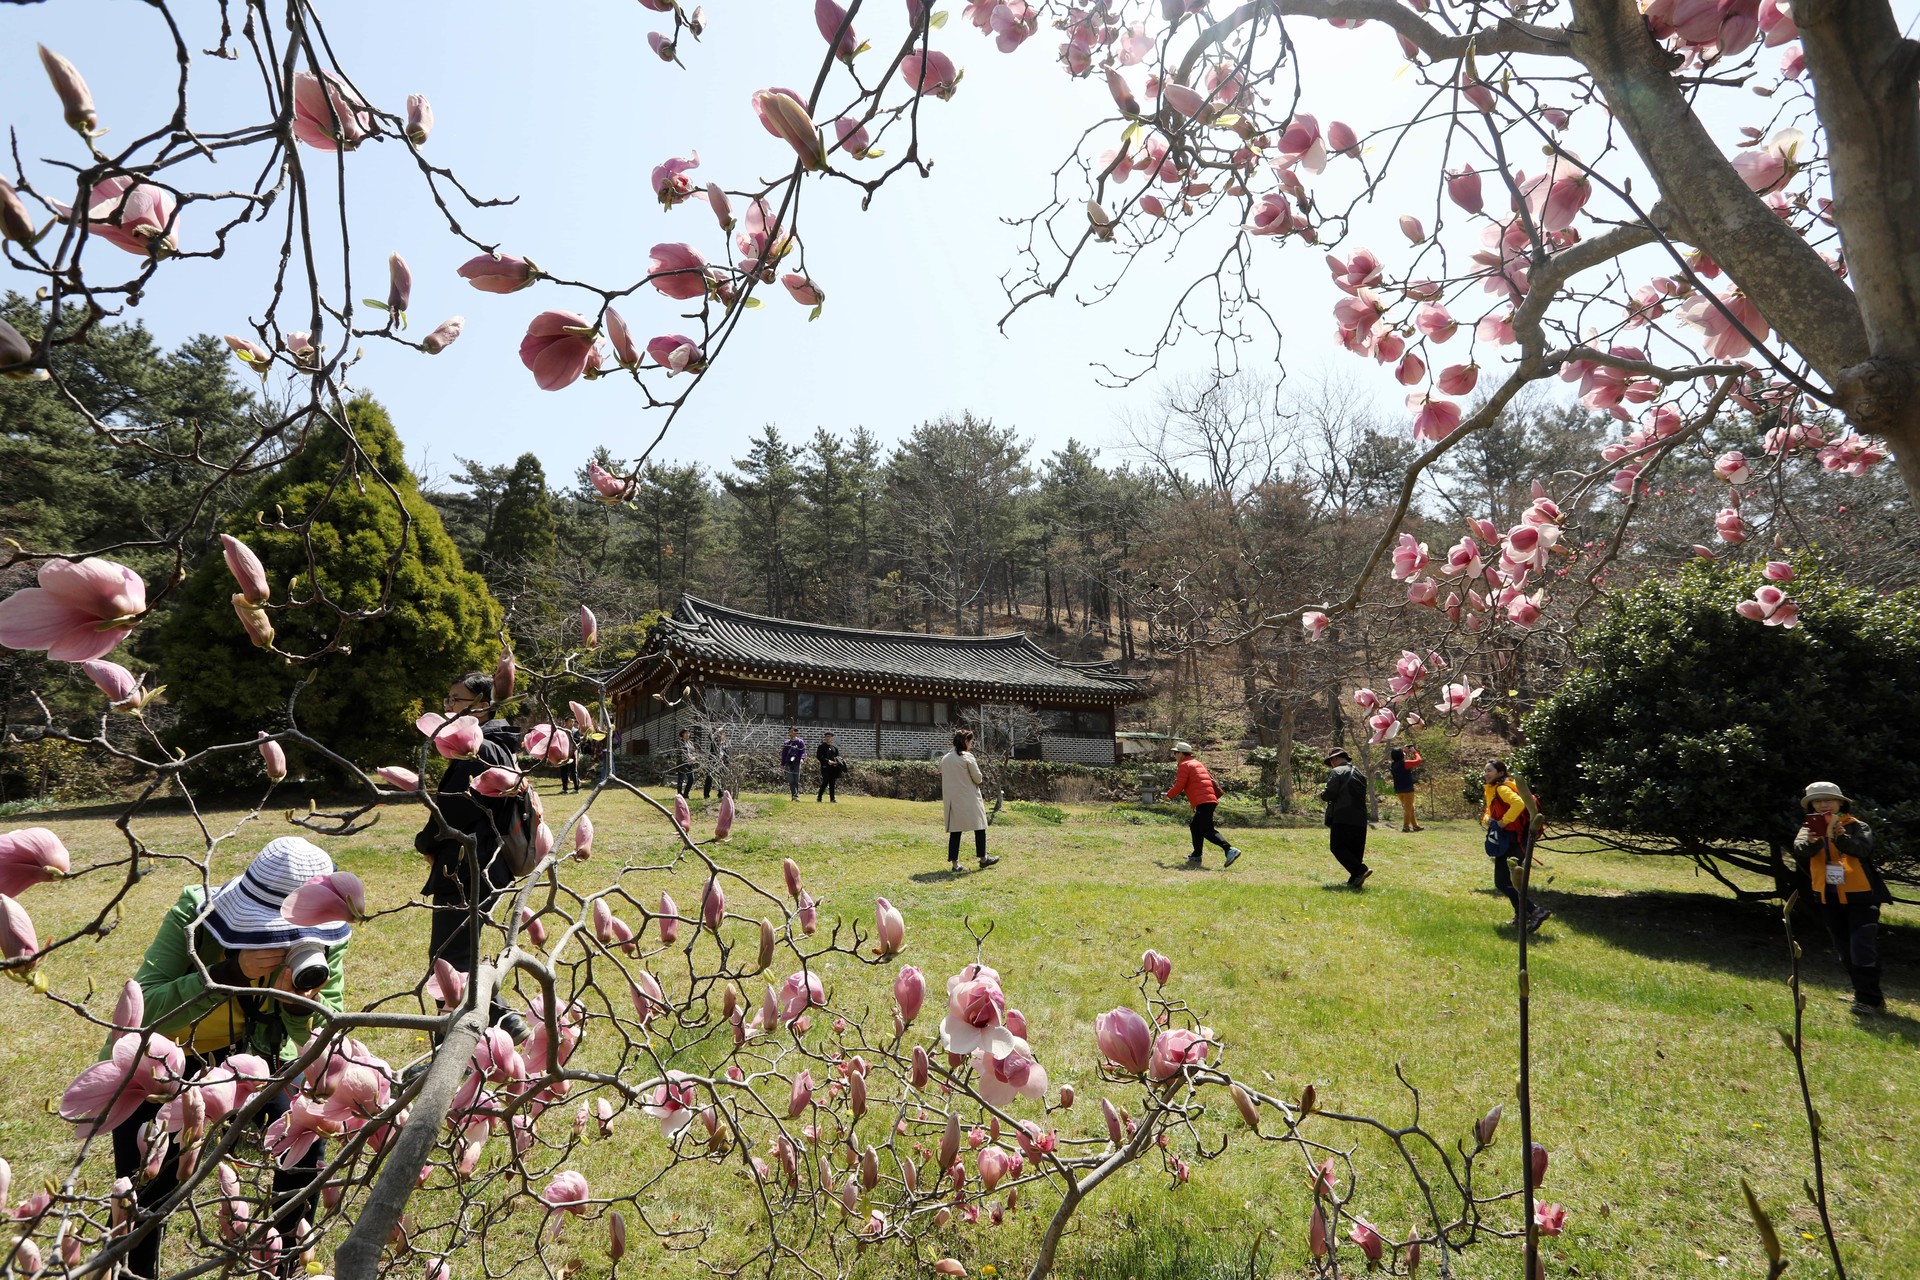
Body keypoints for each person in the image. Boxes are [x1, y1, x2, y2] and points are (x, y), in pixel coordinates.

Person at [104, 836, 351, 1280]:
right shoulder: (195, 916)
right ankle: (132, 1273)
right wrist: (224, 976)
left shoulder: (325, 935)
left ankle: (284, 1264)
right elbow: (146, 1009)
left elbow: (319, 1040)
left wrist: (299, 1003)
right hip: (163, 1061)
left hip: (259, 1057)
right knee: (148, 1183)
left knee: (306, 1146)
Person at [414, 670, 528, 1042]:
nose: (447, 707)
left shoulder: (479, 749)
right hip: (483, 866)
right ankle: (507, 1023)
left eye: (455, 700)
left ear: (481, 705)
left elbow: (453, 812)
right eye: (447, 700)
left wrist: (425, 842)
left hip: (465, 870)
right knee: (461, 952)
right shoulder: (499, 745)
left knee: (448, 961)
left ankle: (452, 1051)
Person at [1793, 781, 1890, 1016]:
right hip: (1828, 897)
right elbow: (1799, 851)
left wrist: (1841, 837)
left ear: (1841, 803)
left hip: (1861, 898)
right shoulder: (1808, 828)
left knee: (1862, 947)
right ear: (1811, 806)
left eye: (1829, 800)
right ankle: (1862, 994)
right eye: (1817, 801)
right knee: (1845, 950)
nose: (1823, 804)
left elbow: (1862, 849)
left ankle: (1870, 1000)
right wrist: (1812, 841)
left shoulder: (1857, 826)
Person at [1484, 761, 1549, 932]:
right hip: (1515, 840)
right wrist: (1488, 820)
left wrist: (1504, 822)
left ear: (1500, 772)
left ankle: (1535, 911)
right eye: (1485, 771)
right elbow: (1489, 811)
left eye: (1489, 770)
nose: (1486, 774)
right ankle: (1521, 915)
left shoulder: (1502, 788)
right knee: (1512, 881)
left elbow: (1519, 804)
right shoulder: (1495, 788)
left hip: (1511, 841)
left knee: (1502, 881)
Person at [1165, 741, 1243, 868]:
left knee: (1206, 830)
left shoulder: (1184, 765)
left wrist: (1169, 796)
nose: (1174, 755)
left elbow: (1180, 785)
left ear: (1181, 753)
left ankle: (1230, 849)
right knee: (1195, 826)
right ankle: (1196, 855)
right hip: (1208, 800)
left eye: (1175, 753)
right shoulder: (1197, 763)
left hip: (1203, 801)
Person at [940, 728, 999, 872]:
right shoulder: (968, 757)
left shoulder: (946, 758)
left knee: (956, 831)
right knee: (979, 827)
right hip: (969, 798)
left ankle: (955, 864)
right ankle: (983, 858)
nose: (971, 744)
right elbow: (978, 778)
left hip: (953, 800)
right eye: (971, 741)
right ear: (966, 741)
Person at [1320, 747, 1372, 888]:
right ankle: (1355, 880)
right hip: (1360, 818)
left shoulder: (1337, 771)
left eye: (1331, 761)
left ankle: (1360, 870)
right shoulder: (1360, 774)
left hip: (1343, 815)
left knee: (1337, 847)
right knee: (1355, 851)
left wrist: (1322, 794)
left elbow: (1330, 793)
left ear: (1334, 759)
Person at [1389, 747, 1423, 832]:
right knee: (1408, 809)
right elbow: (1418, 760)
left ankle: (1415, 826)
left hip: (1399, 790)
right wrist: (1414, 752)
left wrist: (1404, 751)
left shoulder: (1393, 765)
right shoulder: (1405, 764)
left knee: (1410, 808)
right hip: (1408, 790)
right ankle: (1406, 827)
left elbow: (1399, 757)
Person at [780, 726, 808, 801]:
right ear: (789, 733)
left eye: (793, 731)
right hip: (788, 763)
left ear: (796, 733)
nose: (792, 733)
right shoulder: (787, 743)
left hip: (797, 763)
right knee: (791, 780)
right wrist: (783, 763)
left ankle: (795, 795)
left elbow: (802, 751)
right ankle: (794, 796)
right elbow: (784, 754)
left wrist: (802, 759)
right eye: (790, 732)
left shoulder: (800, 742)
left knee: (796, 779)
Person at [816, 730, 844, 803]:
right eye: (826, 737)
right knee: (825, 782)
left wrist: (836, 762)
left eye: (829, 737)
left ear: (832, 738)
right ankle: (819, 797)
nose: (828, 738)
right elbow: (819, 756)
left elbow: (837, 757)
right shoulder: (821, 747)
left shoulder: (834, 748)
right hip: (825, 767)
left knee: (832, 783)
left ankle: (832, 798)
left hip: (833, 768)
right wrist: (827, 761)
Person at [703, 727, 731, 799]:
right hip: (713, 761)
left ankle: (720, 794)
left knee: (721, 778)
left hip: (722, 762)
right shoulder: (714, 741)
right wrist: (715, 730)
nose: (721, 735)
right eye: (719, 733)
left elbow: (727, 753)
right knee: (710, 777)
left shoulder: (725, 743)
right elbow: (710, 736)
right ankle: (706, 794)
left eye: (722, 733)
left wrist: (726, 761)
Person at [673, 727, 697, 798]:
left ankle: (686, 794)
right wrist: (687, 758)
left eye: (688, 733)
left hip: (690, 764)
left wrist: (693, 757)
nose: (687, 734)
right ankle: (680, 795)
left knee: (691, 779)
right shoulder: (679, 742)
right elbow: (678, 753)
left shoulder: (690, 743)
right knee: (681, 779)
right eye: (685, 733)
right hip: (682, 763)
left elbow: (694, 752)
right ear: (682, 734)